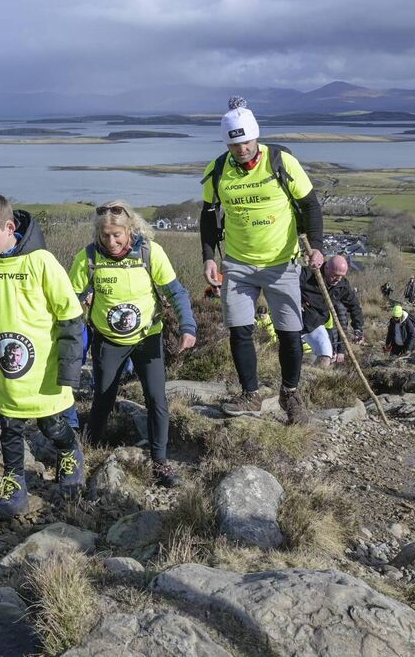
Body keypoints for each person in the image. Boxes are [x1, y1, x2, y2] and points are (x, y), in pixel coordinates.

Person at [0, 194, 85, 519]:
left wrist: (70, 371)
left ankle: (70, 452)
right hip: (8, 375)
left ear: (10, 227)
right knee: (10, 430)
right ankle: (14, 488)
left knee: (52, 425)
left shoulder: (41, 262)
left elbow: (71, 316)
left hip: (44, 373)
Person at [200, 97, 324, 424]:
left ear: (257, 137)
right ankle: (250, 395)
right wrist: (208, 258)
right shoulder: (217, 171)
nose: (241, 149)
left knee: (289, 333)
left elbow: (310, 205)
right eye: (235, 144)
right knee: (240, 330)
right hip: (239, 265)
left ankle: (290, 393)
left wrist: (318, 247)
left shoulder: (280, 161)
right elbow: (208, 216)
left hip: (282, 262)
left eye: (247, 141)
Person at [71, 200, 196, 487]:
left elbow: (176, 292)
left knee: (156, 399)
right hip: (109, 339)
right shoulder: (88, 258)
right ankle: (90, 448)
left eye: (118, 235)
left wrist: (187, 326)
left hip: (147, 337)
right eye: (105, 236)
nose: (111, 242)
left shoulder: (150, 253)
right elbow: (69, 300)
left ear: (131, 230)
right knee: (103, 396)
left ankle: (160, 462)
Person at [323, 255, 365, 365]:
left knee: (340, 310)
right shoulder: (311, 276)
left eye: (341, 276)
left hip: (331, 321)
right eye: (336, 275)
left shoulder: (343, 285)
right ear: (327, 269)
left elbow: (354, 306)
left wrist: (358, 329)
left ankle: (335, 351)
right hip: (311, 319)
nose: (338, 279)